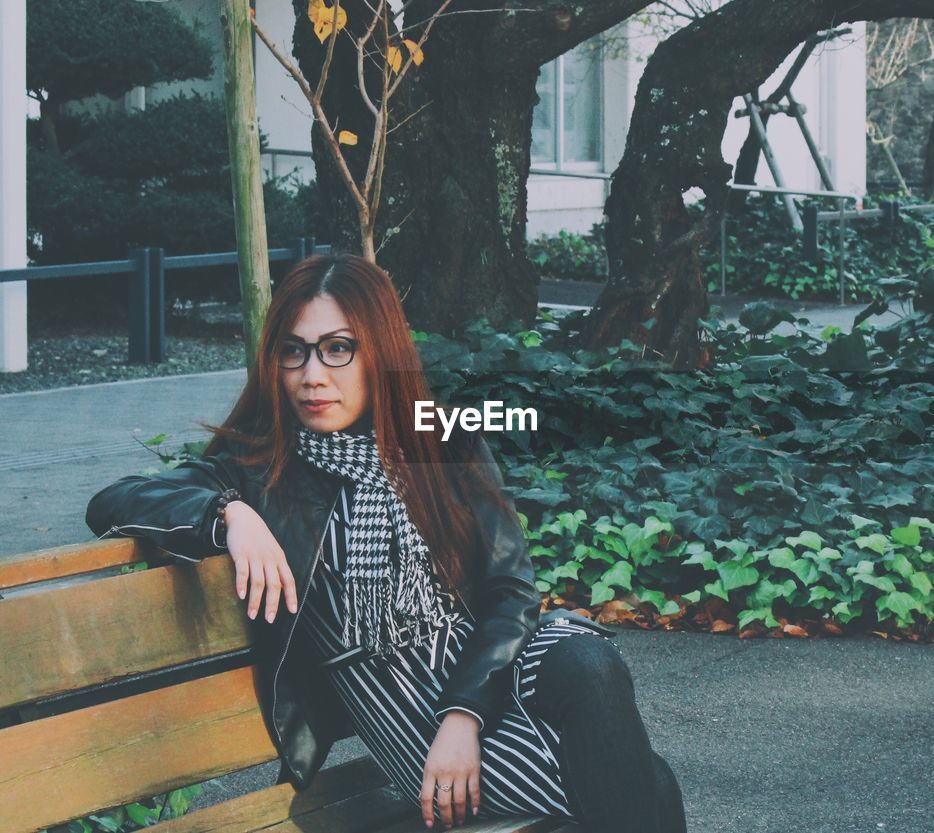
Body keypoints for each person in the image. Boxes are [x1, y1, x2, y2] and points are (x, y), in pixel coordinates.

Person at [86, 254, 686, 833]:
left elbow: (510, 591)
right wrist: (230, 513)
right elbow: (115, 501)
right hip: (405, 719)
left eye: (338, 349)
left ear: (380, 352)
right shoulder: (258, 467)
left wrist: (463, 715)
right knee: (645, 785)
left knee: (589, 661)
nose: (312, 374)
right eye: (294, 351)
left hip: (485, 685)